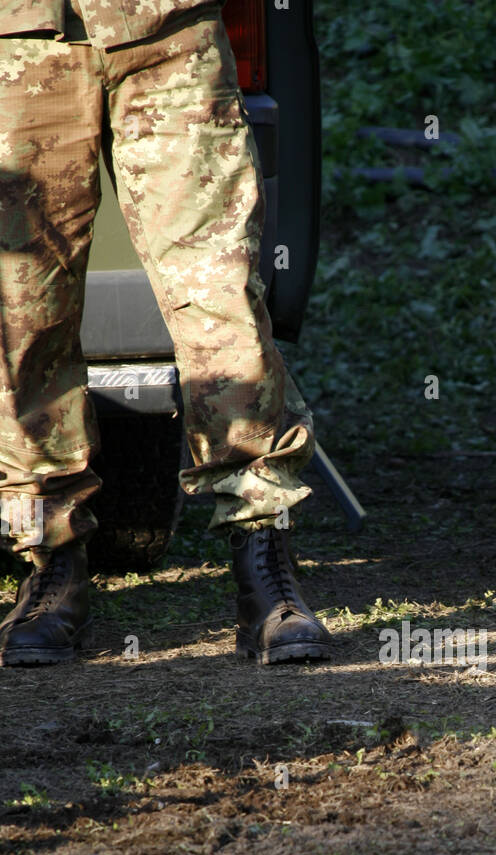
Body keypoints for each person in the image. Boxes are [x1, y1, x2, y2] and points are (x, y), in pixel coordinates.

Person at [0, 0, 331, 665]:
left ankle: (263, 566)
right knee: (22, 311)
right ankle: (53, 564)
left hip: (167, 25)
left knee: (220, 295)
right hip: (19, 35)